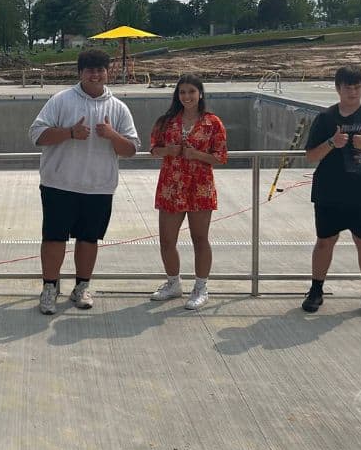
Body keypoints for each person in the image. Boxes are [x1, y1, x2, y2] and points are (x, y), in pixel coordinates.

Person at [28, 49, 138, 315]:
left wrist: (112, 135)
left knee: (89, 240)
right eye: (90, 70)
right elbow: (36, 135)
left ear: (107, 73)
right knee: (54, 239)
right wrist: (69, 133)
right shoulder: (61, 100)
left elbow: (131, 149)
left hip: (99, 186)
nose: (95, 75)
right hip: (59, 184)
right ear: (80, 73)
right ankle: (49, 288)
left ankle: (82, 287)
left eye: (100, 70)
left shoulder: (118, 107)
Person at [301, 65, 361, 318]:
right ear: (338, 88)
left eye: (357, 87)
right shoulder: (325, 118)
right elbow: (311, 156)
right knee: (324, 241)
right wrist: (332, 143)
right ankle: (316, 290)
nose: (352, 92)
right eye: (347, 87)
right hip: (329, 192)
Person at [147, 74, 228, 309]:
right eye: (182, 92)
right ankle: (173, 283)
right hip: (171, 186)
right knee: (167, 239)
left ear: (200, 93)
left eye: (191, 91)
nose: (187, 96)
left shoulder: (212, 122)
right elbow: (154, 149)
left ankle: (201, 287)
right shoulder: (166, 121)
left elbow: (221, 157)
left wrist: (196, 155)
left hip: (199, 187)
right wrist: (168, 150)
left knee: (199, 238)